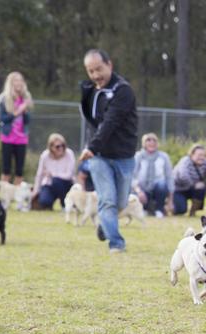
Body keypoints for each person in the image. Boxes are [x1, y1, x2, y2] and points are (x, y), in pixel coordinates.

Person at [79, 48, 138, 253]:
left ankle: (105, 225)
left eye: (99, 69)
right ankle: (116, 243)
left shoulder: (124, 91)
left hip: (124, 156)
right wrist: (92, 148)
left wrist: (92, 145)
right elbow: (92, 123)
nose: (95, 75)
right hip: (98, 157)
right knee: (107, 200)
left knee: (121, 202)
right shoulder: (89, 91)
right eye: (90, 71)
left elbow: (110, 122)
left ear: (109, 65)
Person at [0, 71, 33, 185]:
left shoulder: (26, 98)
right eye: (16, 80)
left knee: (19, 171)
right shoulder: (4, 99)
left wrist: (25, 111)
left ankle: (18, 198)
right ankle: (3, 197)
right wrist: (17, 112)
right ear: (11, 83)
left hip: (21, 138)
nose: (19, 83)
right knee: (6, 169)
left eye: (21, 80)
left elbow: (27, 120)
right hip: (8, 137)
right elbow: (3, 119)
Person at [132, 133, 174, 218]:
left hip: (158, 189)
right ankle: (143, 209)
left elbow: (169, 177)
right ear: (144, 143)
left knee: (162, 184)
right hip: (141, 189)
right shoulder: (138, 156)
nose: (151, 143)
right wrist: (138, 191)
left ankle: (159, 210)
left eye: (154, 140)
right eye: (148, 140)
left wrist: (170, 200)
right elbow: (132, 176)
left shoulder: (164, 157)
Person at [32, 133, 76, 210]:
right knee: (44, 201)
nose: (61, 148)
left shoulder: (69, 153)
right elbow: (39, 175)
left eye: (63, 145)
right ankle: (49, 203)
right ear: (51, 147)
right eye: (58, 146)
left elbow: (69, 175)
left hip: (66, 185)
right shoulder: (45, 155)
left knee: (56, 180)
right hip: (49, 184)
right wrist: (36, 191)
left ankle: (64, 205)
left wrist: (53, 174)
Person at [172, 144, 206, 216]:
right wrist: (194, 184)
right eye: (199, 155)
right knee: (180, 210)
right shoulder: (185, 161)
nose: (201, 157)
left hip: (192, 188)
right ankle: (168, 206)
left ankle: (193, 211)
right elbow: (183, 176)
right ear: (192, 155)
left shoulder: (205, 162)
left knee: (201, 188)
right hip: (179, 189)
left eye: (203, 155)